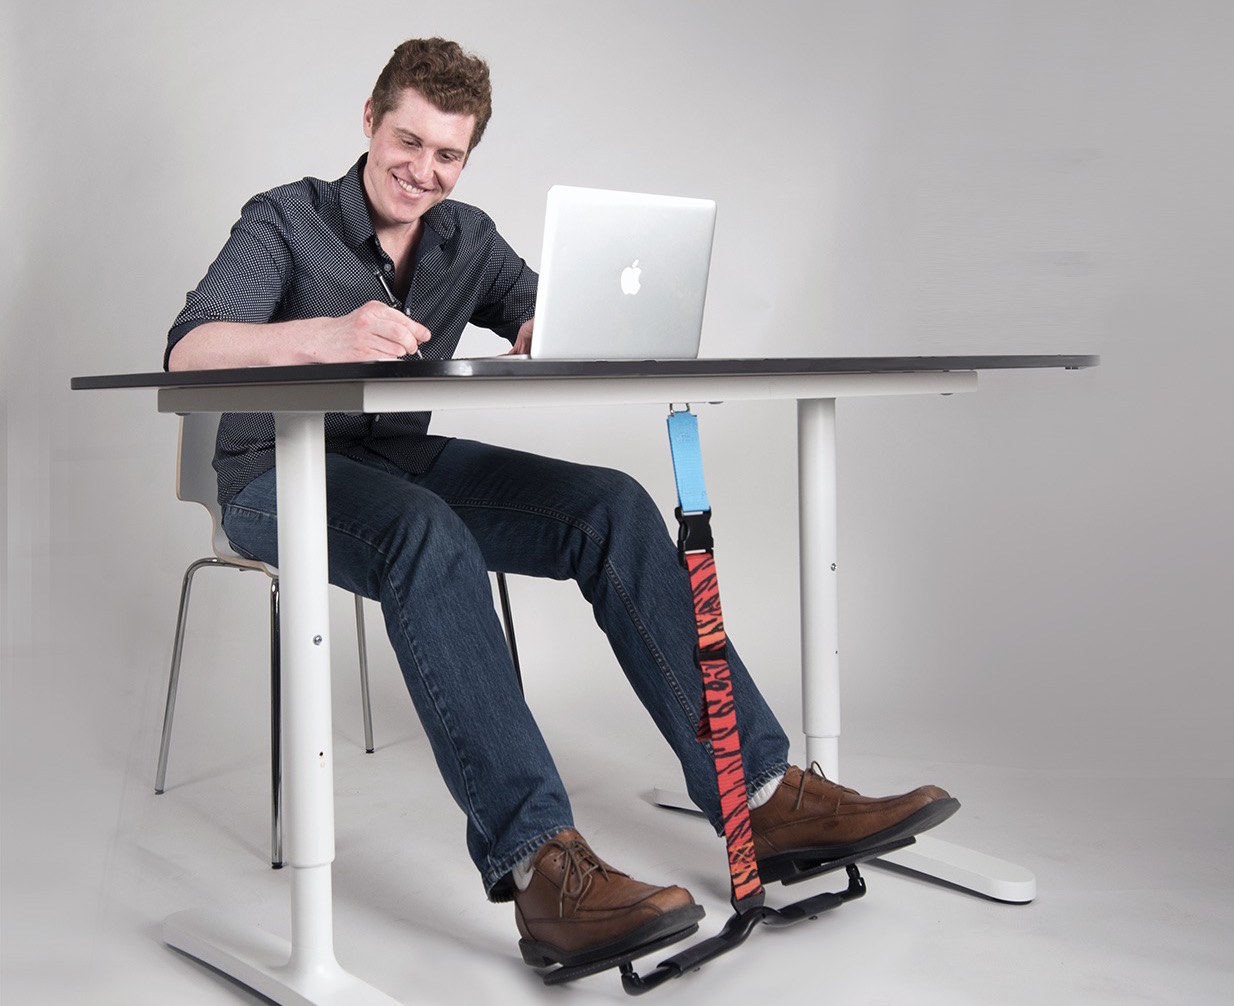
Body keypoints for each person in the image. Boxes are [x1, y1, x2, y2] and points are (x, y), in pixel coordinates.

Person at [166, 37, 959, 973]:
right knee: (427, 536)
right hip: (276, 475)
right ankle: (541, 868)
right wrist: (323, 335)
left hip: (406, 458)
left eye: (447, 155)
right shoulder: (286, 221)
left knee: (610, 508)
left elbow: (544, 306)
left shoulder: (466, 238)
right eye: (407, 142)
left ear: (468, 157)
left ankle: (764, 794)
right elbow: (190, 350)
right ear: (370, 121)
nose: (422, 171)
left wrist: (551, 324)